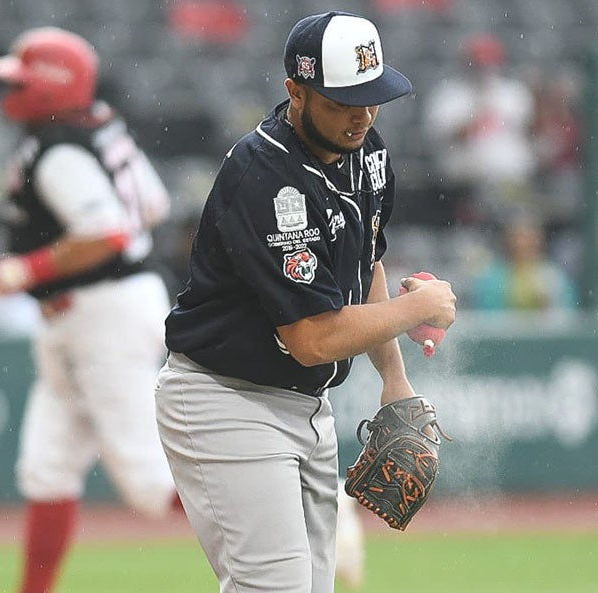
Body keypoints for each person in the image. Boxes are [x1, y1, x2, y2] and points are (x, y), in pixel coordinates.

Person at [155, 11, 457, 593]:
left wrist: (394, 379)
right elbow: (311, 337)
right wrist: (416, 309)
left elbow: (366, 261)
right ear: (296, 90)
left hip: (305, 403)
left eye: (372, 99)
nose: (363, 115)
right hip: (225, 399)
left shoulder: (367, 153)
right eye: (344, 101)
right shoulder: (264, 175)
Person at [0, 27, 179, 593]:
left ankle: (306, 522)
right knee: (47, 470)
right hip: (89, 313)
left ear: (49, 88)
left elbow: (109, 233)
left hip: (103, 314)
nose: (13, 92)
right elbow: (154, 204)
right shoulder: (97, 125)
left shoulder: (60, 148)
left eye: (23, 81)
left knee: (148, 485)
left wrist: (28, 269)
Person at [422, 32, 537, 225]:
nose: (483, 70)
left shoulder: (513, 93)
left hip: (510, 182)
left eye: (488, 63)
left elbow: (529, 133)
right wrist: (477, 112)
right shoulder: (450, 95)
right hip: (462, 186)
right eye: (478, 63)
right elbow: (443, 137)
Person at [471, 216, 577, 313]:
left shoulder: (553, 275)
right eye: (517, 237)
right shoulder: (492, 277)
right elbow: (487, 315)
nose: (521, 243)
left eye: (528, 237)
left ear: (539, 240)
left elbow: (567, 314)